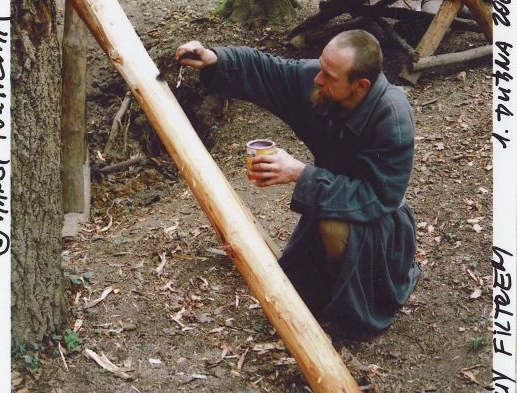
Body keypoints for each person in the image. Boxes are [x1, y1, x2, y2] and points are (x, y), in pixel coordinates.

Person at [175, 30, 420, 340]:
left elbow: (377, 198)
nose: (318, 79)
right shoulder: (321, 82)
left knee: (334, 226)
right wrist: (215, 58)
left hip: (379, 225)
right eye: (320, 68)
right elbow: (269, 69)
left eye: (329, 76)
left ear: (361, 86)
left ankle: (353, 307)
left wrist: (300, 174)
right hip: (332, 199)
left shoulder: (393, 117)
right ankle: (325, 288)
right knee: (301, 282)